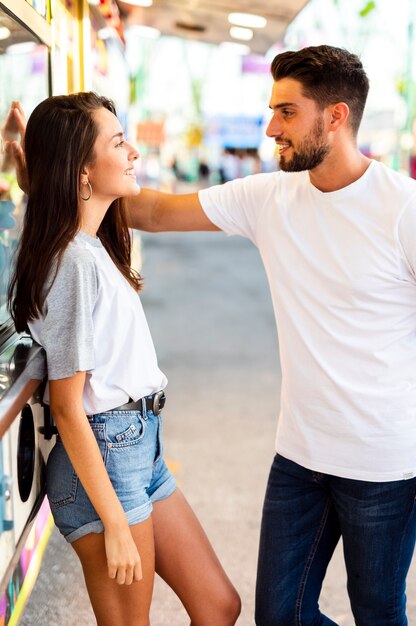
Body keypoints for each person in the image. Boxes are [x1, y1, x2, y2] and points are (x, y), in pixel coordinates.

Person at [7, 44, 416, 625]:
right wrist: (44, 172)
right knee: (276, 615)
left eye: (286, 112)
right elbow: (151, 208)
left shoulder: (404, 211)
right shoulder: (267, 198)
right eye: (271, 109)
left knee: (364, 610)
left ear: (336, 116)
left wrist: (47, 176)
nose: (270, 126)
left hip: (382, 462)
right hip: (289, 457)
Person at [5, 93, 241, 626]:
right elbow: (67, 405)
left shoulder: (81, 244)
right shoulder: (73, 263)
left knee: (219, 605)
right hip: (107, 460)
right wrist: (113, 522)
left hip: (140, 449)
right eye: (118, 142)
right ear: (82, 171)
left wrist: (22, 162)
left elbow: (37, 193)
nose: (134, 152)